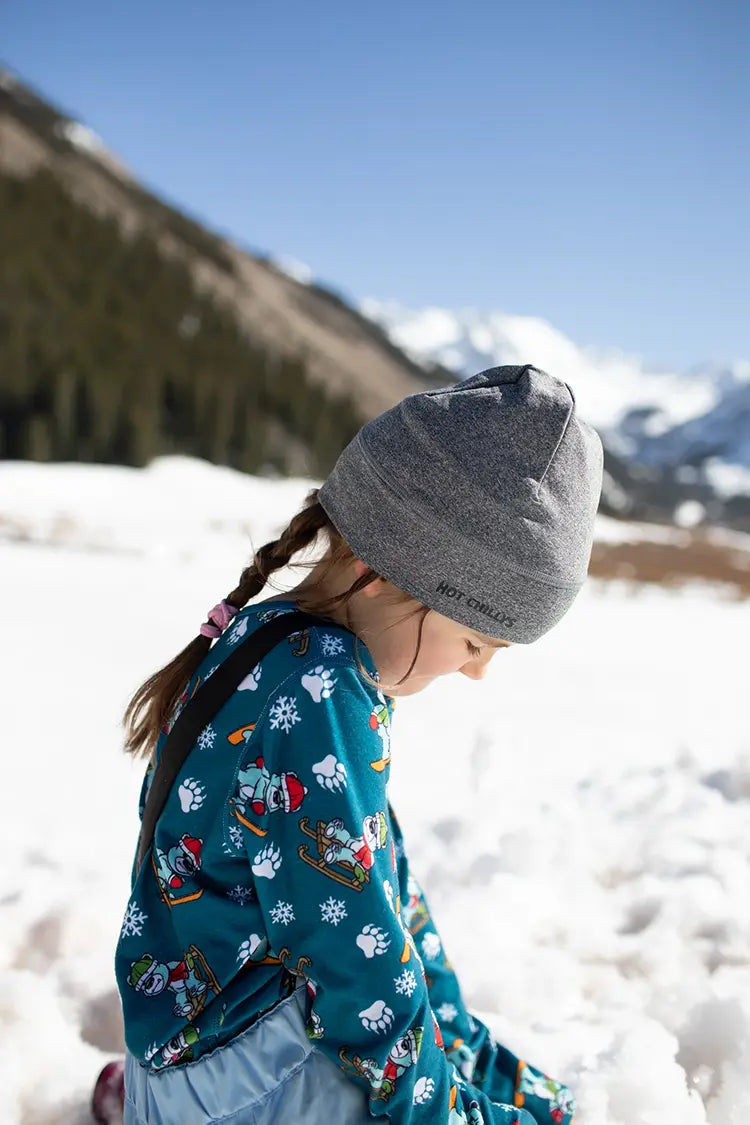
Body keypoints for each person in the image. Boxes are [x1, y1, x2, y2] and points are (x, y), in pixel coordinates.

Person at [105, 364, 603, 1125]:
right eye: (474, 642)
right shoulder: (321, 692)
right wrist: (440, 1111)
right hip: (241, 1085)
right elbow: (352, 955)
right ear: (383, 572)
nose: (476, 672)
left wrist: (474, 1058)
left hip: (194, 1065)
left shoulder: (274, 640)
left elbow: (381, 891)